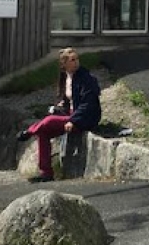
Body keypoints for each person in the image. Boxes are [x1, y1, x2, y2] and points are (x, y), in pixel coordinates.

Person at [17, 48, 102, 182]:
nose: (76, 62)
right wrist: (61, 107)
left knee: (48, 122)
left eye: (76, 59)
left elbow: (88, 104)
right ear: (64, 64)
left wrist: (73, 120)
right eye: (72, 60)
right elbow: (69, 101)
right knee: (43, 132)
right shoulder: (66, 78)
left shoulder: (86, 78)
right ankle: (46, 172)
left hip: (85, 118)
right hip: (70, 115)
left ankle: (29, 131)